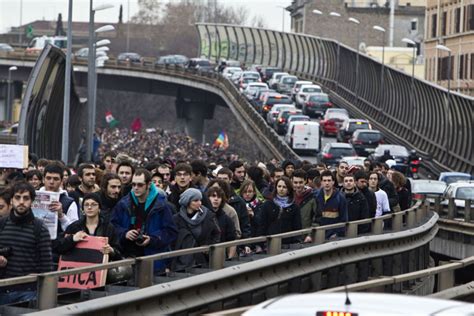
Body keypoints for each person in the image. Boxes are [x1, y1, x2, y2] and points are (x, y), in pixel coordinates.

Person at [111, 169, 177, 272]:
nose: (136, 188)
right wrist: (124, 233)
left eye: (140, 185)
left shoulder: (162, 205)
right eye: (133, 184)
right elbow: (112, 226)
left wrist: (152, 239)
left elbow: (171, 232)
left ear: (149, 184)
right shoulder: (123, 204)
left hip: (153, 259)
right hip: (127, 257)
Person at [0, 182, 52, 305]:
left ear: (32, 201)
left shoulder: (40, 228)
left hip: (28, 292)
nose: (21, 202)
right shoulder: (2, 224)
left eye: (26, 198)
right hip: (2, 289)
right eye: (17, 197)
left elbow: (47, 266)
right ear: (11, 200)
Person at [55, 193, 121, 261]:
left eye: (93, 204)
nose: (89, 207)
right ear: (83, 209)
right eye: (86, 205)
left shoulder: (108, 227)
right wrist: (72, 239)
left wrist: (111, 251)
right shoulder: (75, 226)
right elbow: (58, 246)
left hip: (101, 267)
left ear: (99, 208)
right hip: (79, 266)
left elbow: (119, 253)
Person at [171, 188, 220, 271]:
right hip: (181, 262)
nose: (199, 203)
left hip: (201, 261)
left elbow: (217, 233)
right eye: (195, 200)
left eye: (200, 200)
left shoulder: (208, 216)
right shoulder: (176, 219)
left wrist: (209, 246)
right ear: (187, 201)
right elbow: (172, 242)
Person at [258, 177, 301, 244]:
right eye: (279, 186)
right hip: (270, 242)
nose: (281, 189)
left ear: (288, 189)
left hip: (288, 243)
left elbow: (297, 226)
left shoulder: (294, 206)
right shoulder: (268, 204)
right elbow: (262, 225)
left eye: (284, 187)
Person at [41, 163, 80, 236]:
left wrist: (61, 215)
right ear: (43, 179)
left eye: (56, 179)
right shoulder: (32, 198)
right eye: (48, 178)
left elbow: (75, 231)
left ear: (62, 181)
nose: (51, 182)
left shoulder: (69, 203)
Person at [314, 170, 348, 239]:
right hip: (319, 236)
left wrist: (337, 234)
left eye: (329, 180)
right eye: (324, 180)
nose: (327, 183)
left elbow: (344, 219)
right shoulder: (316, 197)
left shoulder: (340, 198)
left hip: (334, 237)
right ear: (321, 182)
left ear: (333, 182)